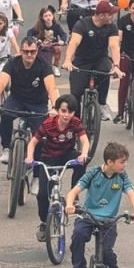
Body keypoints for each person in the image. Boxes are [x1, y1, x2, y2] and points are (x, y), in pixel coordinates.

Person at [65, 142, 134, 268]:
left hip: (109, 221)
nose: (125, 165)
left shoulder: (122, 176)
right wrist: (70, 204)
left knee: (108, 252)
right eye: (122, 162)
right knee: (78, 237)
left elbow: (132, 194)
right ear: (110, 162)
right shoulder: (93, 173)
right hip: (88, 216)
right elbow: (73, 191)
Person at [25, 94, 88, 240]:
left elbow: (84, 140)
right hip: (49, 159)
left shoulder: (75, 123)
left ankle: (75, 193)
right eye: (64, 111)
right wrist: (29, 157)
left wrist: (83, 154)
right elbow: (33, 142)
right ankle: (43, 222)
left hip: (67, 154)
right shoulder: (48, 124)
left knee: (82, 162)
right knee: (42, 194)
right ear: (58, 110)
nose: (67, 115)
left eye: (70, 112)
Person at [0, 37, 59, 164]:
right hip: (17, 99)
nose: (29, 55)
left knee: (40, 137)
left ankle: (36, 177)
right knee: (5, 115)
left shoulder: (44, 66)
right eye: (26, 51)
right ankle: (6, 149)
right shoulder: (12, 63)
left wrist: (55, 107)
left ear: (37, 51)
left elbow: (51, 88)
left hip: (38, 103)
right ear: (20, 51)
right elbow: (2, 82)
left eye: (32, 51)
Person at [63, 1, 122, 123]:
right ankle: (75, 122)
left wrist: (116, 66)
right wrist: (68, 60)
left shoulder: (111, 26)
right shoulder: (82, 24)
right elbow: (74, 42)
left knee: (106, 71)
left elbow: (114, 46)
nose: (113, 16)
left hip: (100, 59)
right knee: (75, 94)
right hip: (81, 61)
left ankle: (101, 104)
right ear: (102, 15)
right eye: (110, 14)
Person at [30, 5, 66, 75]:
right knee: (34, 51)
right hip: (42, 45)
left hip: (53, 45)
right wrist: (33, 40)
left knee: (58, 49)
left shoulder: (56, 26)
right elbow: (30, 32)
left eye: (50, 15)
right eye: (45, 16)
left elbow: (63, 34)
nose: (48, 17)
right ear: (42, 17)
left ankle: (55, 67)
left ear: (53, 16)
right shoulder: (39, 26)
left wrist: (63, 40)